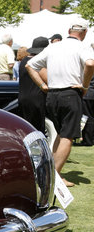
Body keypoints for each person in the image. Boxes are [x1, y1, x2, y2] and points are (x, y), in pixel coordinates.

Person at [27, 18, 94, 187]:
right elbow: (90, 63)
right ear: (84, 32)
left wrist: (43, 85)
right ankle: (54, 177)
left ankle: (51, 172)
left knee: (60, 135)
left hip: (52, 95)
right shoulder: (82, 46)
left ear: (69, 30)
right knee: (67, 136)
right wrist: (85, 85)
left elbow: (30, 65)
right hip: (70, 93)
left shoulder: (53, 46)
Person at [18, 37, 49, 134]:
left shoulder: (23, 61)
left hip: (23, 97)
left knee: (26, 128)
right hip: (37, 99)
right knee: (37, 129)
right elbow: (47, 79)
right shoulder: (38, 62)